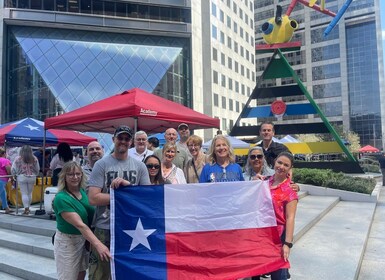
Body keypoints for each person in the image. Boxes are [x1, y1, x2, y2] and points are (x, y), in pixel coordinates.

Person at [88, 125, 150, 280]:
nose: (123, 141)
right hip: (105, 227)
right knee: (100, 275)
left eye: (127, 139)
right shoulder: (101, 164)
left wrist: (128, 187)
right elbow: (93, 198)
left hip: (133, 228)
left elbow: (147, 197)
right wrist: (122, 197)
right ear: (113, 139)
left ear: (131, 142)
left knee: (130, 274)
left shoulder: (140, 166)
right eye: (120, 138)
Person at [53, 161, 110, 280]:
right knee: (68, 277)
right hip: (68, 242)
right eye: (71, 174)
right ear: (64, 177)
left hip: (84, 240)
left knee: (81, 274)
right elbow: (80, 225)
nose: (75, 177)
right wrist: (98, 244)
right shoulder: (61, 198)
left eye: (78, 173)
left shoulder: (83, 192)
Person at [251, 152, 298, 280]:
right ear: (274, 163)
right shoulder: (264, 182)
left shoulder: (290, 191)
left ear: (290, 168)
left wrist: (287, 244)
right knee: (256, 273)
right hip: (261, 236)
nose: (281, 166)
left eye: (286, 165)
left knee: (277, 275)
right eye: (279, 162)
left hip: (278, 237)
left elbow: (290, 218)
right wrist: (253, 183)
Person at [11, 145, 40, 215]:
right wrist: (35, 173)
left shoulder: (18, 158)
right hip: (32, 176)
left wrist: (14, 174)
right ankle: (28, 207)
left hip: (21, 176)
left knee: (24, 193)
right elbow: (37, 169)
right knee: (29, 193)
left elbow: (13, 168)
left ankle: (26, 209)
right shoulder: (34, 158)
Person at [0, 148, 12, 214]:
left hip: (1, 179)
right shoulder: (5, 160)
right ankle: (6, 208)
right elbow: (9, 170)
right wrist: (12, 178)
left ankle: (6, 208)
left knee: (3, 194)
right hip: (2, 179)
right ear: (4, 153)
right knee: (2, 193)